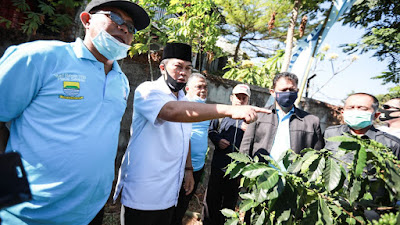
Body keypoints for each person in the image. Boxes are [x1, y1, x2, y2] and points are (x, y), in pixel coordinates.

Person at [0, 0, 150, 224]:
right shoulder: (40, 57)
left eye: (131, 27)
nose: (124, 28)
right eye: (115, 18)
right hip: (29, 214)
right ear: (86, 20)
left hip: (90, 211)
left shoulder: (121, 81)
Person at [113, 42, 270, 225]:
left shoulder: (182, 99)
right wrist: (229, 110)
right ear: (162, 67)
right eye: (178, 67)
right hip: (144, 190)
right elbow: (171, 112)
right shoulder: (148, 90)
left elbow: (184, 139)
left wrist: (188, 170)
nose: (183, 72)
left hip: (171, 189)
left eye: (188, 68)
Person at [240, 72, 324, 168]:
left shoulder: (311, 122)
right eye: (283, 90)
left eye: (292, 89)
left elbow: (316, 155)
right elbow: (246, 147)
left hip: (293, 179)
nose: (288, 93)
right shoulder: (258, 116)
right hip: (260, 175)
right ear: (272, 92)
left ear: (297, 91)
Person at [202, 84, 252, 225]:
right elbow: (211, 130)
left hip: (237, 170)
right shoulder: (221, 114)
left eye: (244, 98)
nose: (240, 100)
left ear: (248, 100)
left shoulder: (251, 119)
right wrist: (218, 140)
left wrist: (249, 130)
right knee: (212, 198)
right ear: (231, 98)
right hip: (219, 164)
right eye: (237, 97)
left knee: (230, 202)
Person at [171, 73, 210, 225]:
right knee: (173, 206)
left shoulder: (206, 108)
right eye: (198, 87)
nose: (203, 90)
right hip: (182, 166)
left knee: (182, 205)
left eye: (205, 87)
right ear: (187, 88)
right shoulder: (183, 105)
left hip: (198, 166)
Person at [324, 93, 400, 163]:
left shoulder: (392, 143)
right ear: (343, 112)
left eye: (363, 108)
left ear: (376, 115)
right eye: (350, 108)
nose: (355, 111)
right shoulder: (330, 133)